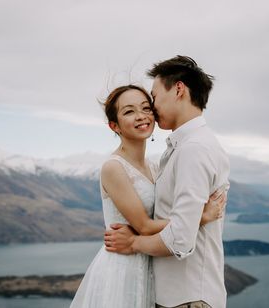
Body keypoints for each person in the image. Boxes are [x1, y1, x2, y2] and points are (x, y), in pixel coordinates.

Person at [70, 84, 227, 308]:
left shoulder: (155, 166)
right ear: (114, 126)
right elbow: (144, 225)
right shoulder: (113, 168)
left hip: (150, 265)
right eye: (129, 111)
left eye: (146, 108)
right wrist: (200, 217)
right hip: (123, 267)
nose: (141, 116)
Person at [104, 56, 230, 308]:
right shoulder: (182, 148)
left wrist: (133, 243)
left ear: (179, 89)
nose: (152, 106)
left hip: (188, 297)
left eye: (154, 97)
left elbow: (180, 238)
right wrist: (200, 217)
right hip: (176, 296)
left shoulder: (193, 149)